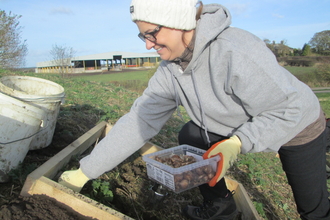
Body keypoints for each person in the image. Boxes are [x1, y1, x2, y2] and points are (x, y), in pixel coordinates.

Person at [59, 0, 330, 219]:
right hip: (238, 122)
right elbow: (139, 121)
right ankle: (222, 207)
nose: (147, 44)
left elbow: (288, 108)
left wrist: (238, 142)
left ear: (179, 23)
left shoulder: (234, 50)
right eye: (142, 35)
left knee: (311, 208)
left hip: (297, 124)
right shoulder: (171, 68)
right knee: (191, 136)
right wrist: (86, 171)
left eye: (152, 33)